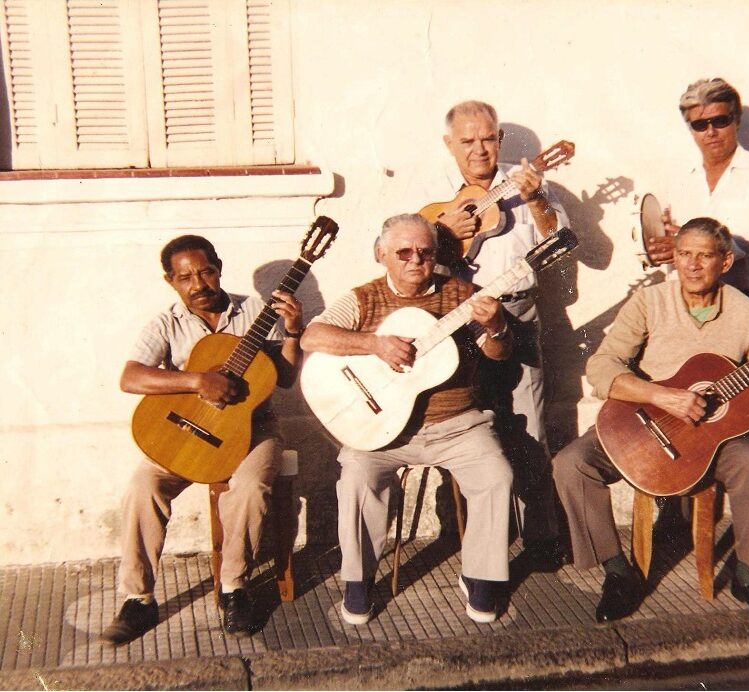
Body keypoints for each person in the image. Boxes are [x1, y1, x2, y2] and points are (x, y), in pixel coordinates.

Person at [551, 217, 749, 632]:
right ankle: (617, 572)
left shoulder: (748, 313)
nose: (692, 265)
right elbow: (602, 364)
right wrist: (660, 395)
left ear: (724, 261)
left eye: (704, 256)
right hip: (644, 422)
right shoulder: (650, 302)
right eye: (684, 254)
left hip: (714, 440)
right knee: (571, 464)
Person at [300, 213, 514, 624]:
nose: (416, 259)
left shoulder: (463, 295)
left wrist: (498, 326)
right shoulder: (364, 298)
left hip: (458, 426)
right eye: (404, 252)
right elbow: (312, 336)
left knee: (497, 475)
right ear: (382, 254)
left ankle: (481, 577)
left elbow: (498, 354)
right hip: (382, 432)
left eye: (425, 252)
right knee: (358, 478)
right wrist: (373, 344)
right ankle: (358, 581)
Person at [101, 235, 304, 644]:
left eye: (206, 271)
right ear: (170, 281)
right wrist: (198, 380)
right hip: (185, 430)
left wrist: (295, 332)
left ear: (219, 267)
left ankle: (233, 588)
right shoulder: (166, 323)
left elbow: (283, 378)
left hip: (252, 429)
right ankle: (138, 598)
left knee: (249, 487)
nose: (198, 284)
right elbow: (131, 377)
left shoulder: (256, 312)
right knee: (143, 486)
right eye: (186, 276)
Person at [431, 99, 570, 564]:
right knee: (458, 421)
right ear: (450, 143)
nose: (479, 149)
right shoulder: (432, 188)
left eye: (488, 138)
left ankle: (541, 537)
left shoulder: (527, 182)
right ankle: (467, 530)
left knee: (527, 421)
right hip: (454, 321)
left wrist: (535, 198)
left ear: (500, 140)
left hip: (516, 312)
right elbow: (389, 248)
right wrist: (441, 236)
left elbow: (560, 243)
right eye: (467, 141)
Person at [647, 78, 749, 310]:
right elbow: (656, 225)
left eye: (720, 121)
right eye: (700, 125)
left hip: (744, 300)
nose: (710, 132)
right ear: (691, 129)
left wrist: (686, 245)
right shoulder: (676, 176)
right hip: (683, 302)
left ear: (737, 121)